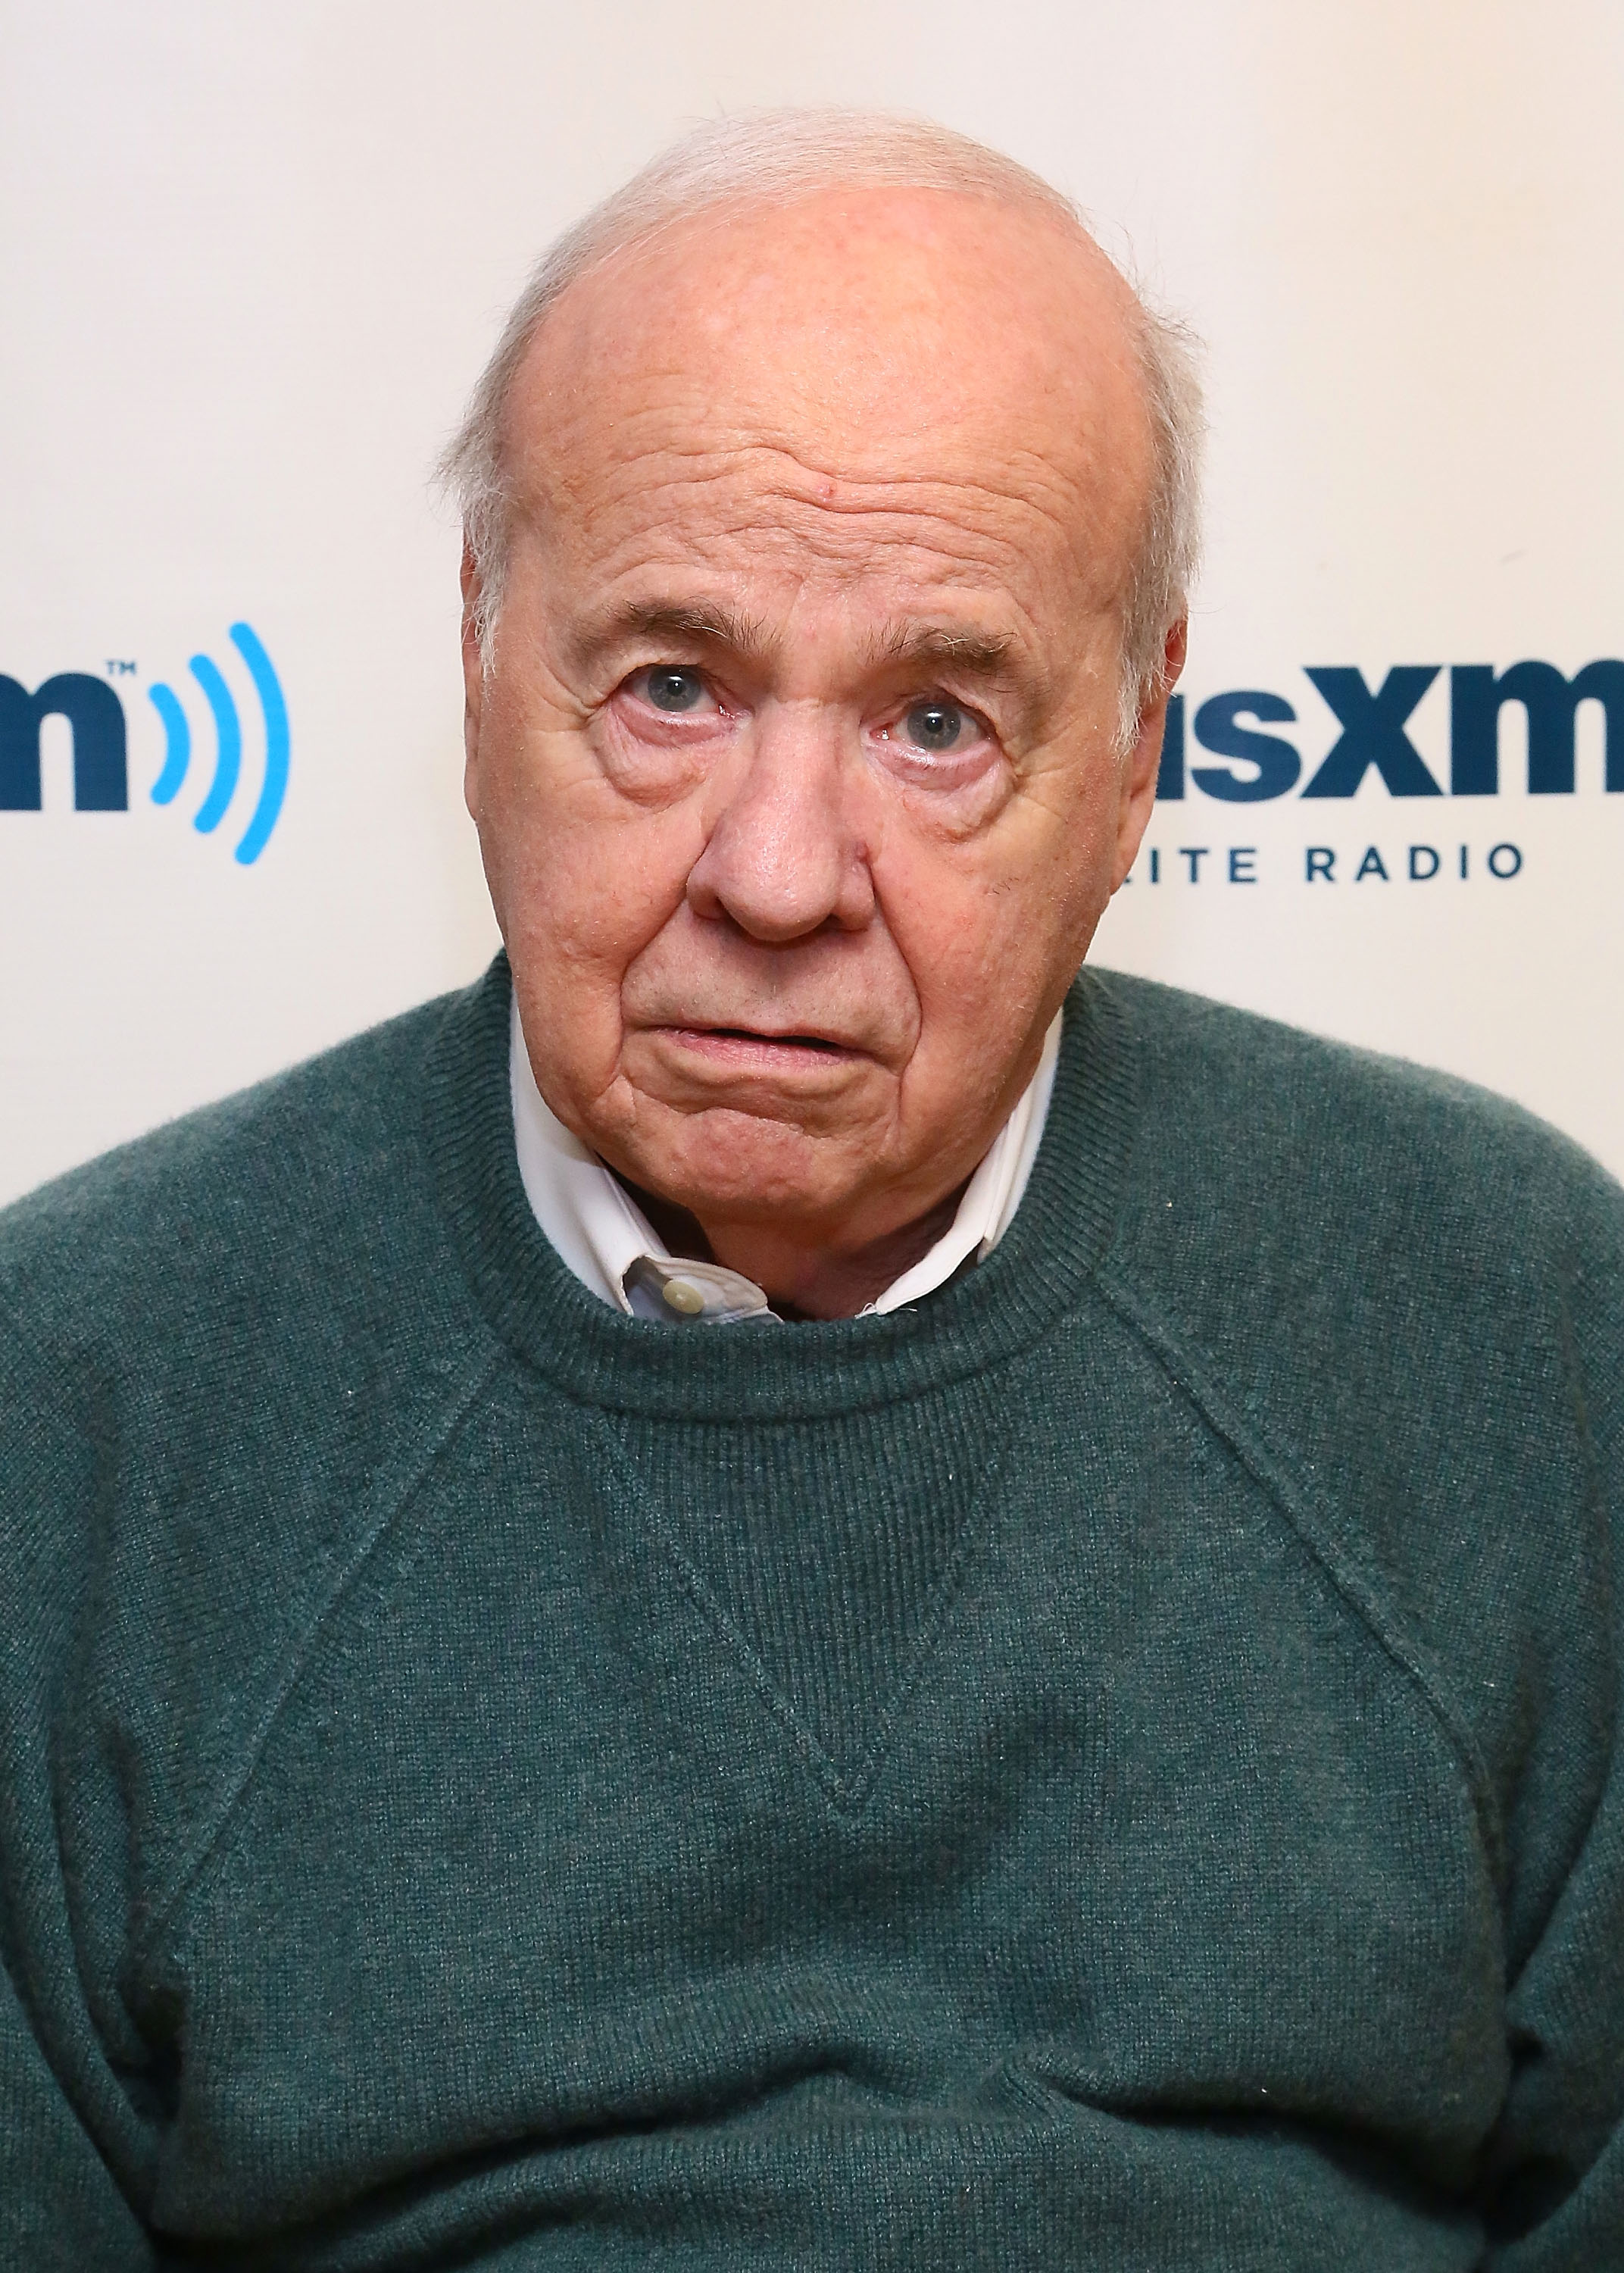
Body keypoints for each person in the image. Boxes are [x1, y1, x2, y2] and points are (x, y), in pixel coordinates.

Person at [1, 109, 1619, 2271]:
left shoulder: (1511, 1315)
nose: (776, 879)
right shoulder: (76, 1404)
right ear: (480, 648)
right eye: (672, 688)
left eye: (938, 722)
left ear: (1143, 746)